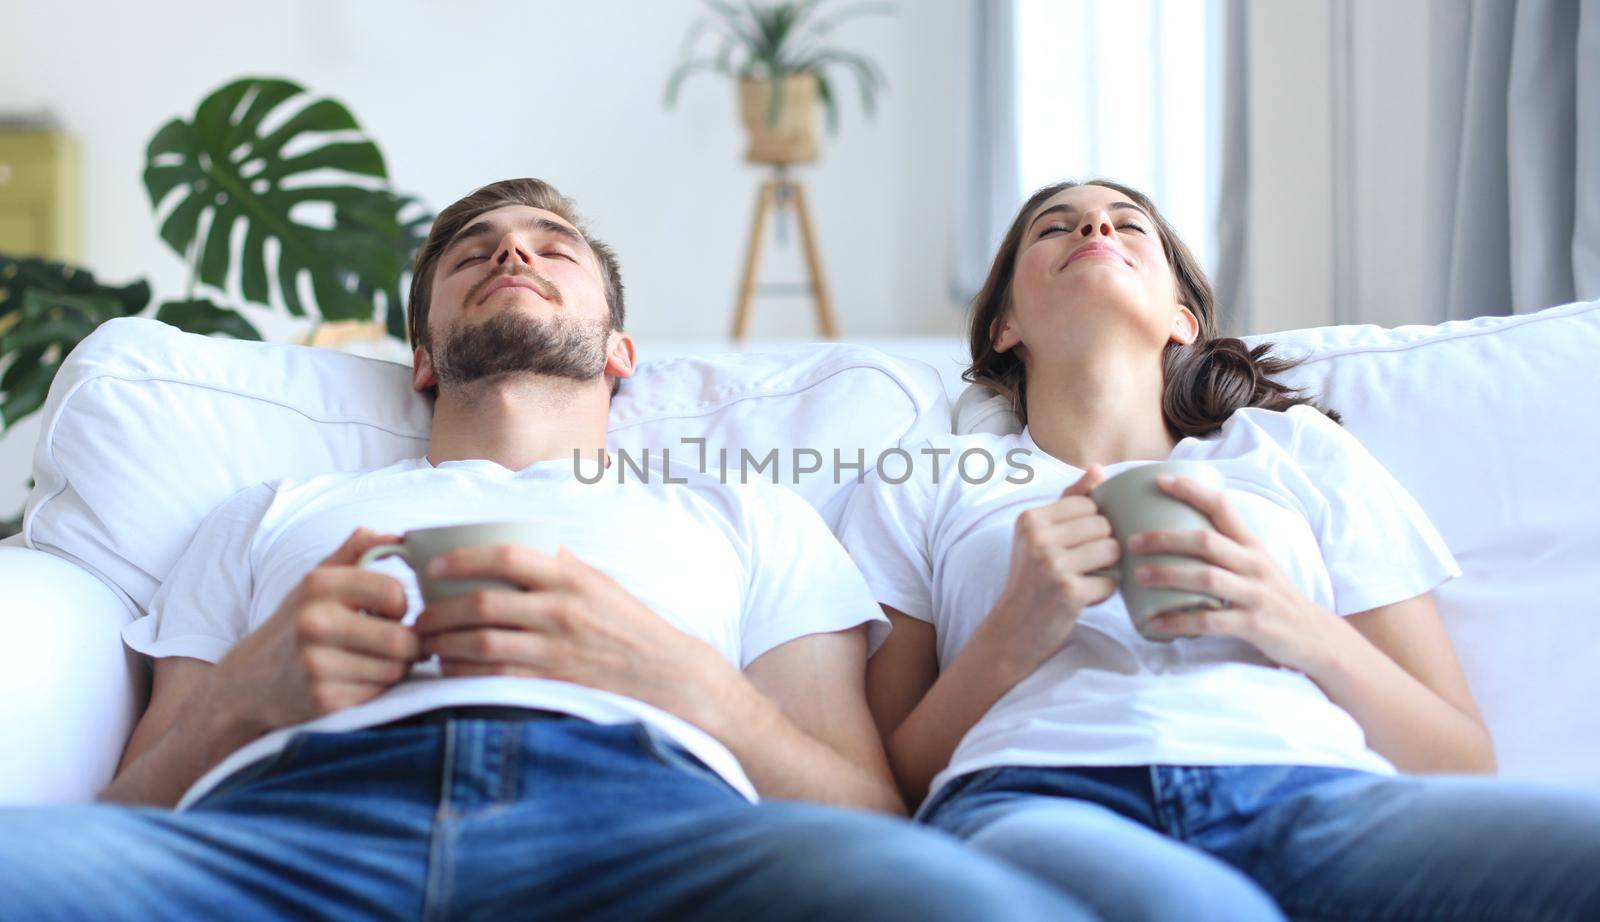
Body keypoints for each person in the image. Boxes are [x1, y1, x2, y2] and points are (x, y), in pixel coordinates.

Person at [0, 178, 1092, 922]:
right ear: (422, 359)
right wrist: (250, 695)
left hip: (656, 835)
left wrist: (686, 686)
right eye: (472, 253)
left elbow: (868, 810)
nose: (511, 251)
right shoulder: (266, 512)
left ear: (620, 351)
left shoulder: (743, 513)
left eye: (548, 247)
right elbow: (129, 809)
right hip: (294, 831)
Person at [839, 178, 1600, 922]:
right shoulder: (931, 479)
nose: (1096, 230)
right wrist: (1014, 630)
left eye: (1127, 223)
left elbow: (1461, 760)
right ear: (1004, 324)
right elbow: (881, 786)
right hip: (1045, 794)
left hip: (1312, 793)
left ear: (1182, 319)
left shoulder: (1295, 449)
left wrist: (1293, 623)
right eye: (1055, 226)